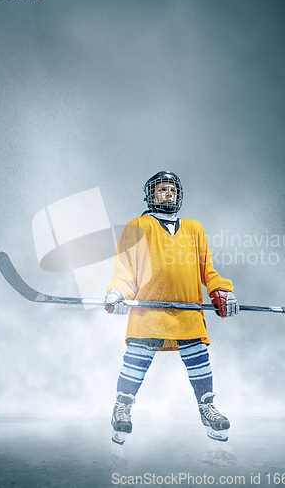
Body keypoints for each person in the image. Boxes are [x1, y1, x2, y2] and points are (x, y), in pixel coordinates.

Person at [105, 171, 239, 446]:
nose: (169, 194)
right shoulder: (138, 226)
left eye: (173, 190)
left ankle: (207, 408)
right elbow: (125, 269)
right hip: (148, 311)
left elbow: (208, 271)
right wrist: (117, 292)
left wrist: (222, 292)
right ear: (151, 195)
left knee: (198, 356)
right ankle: (122, 408)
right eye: (163, 189)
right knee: (137, 357)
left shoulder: (194, 228)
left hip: (186, 311)